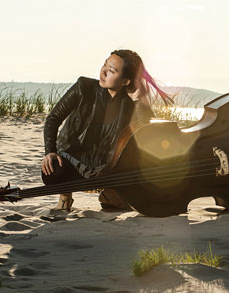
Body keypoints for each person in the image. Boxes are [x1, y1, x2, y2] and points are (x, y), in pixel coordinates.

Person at [41, 49, 174, 211]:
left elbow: (149, 134)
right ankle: (65, 197)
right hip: (73, 159)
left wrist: (139, 100)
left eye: (111, 70)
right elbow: (53, 119)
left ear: (125, 81)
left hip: (107, 167)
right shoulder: (84, 87)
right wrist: (50, 151)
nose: (103, 72)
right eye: (105, 65)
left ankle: (111, 193)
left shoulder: (130, 103)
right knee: (51, 170)